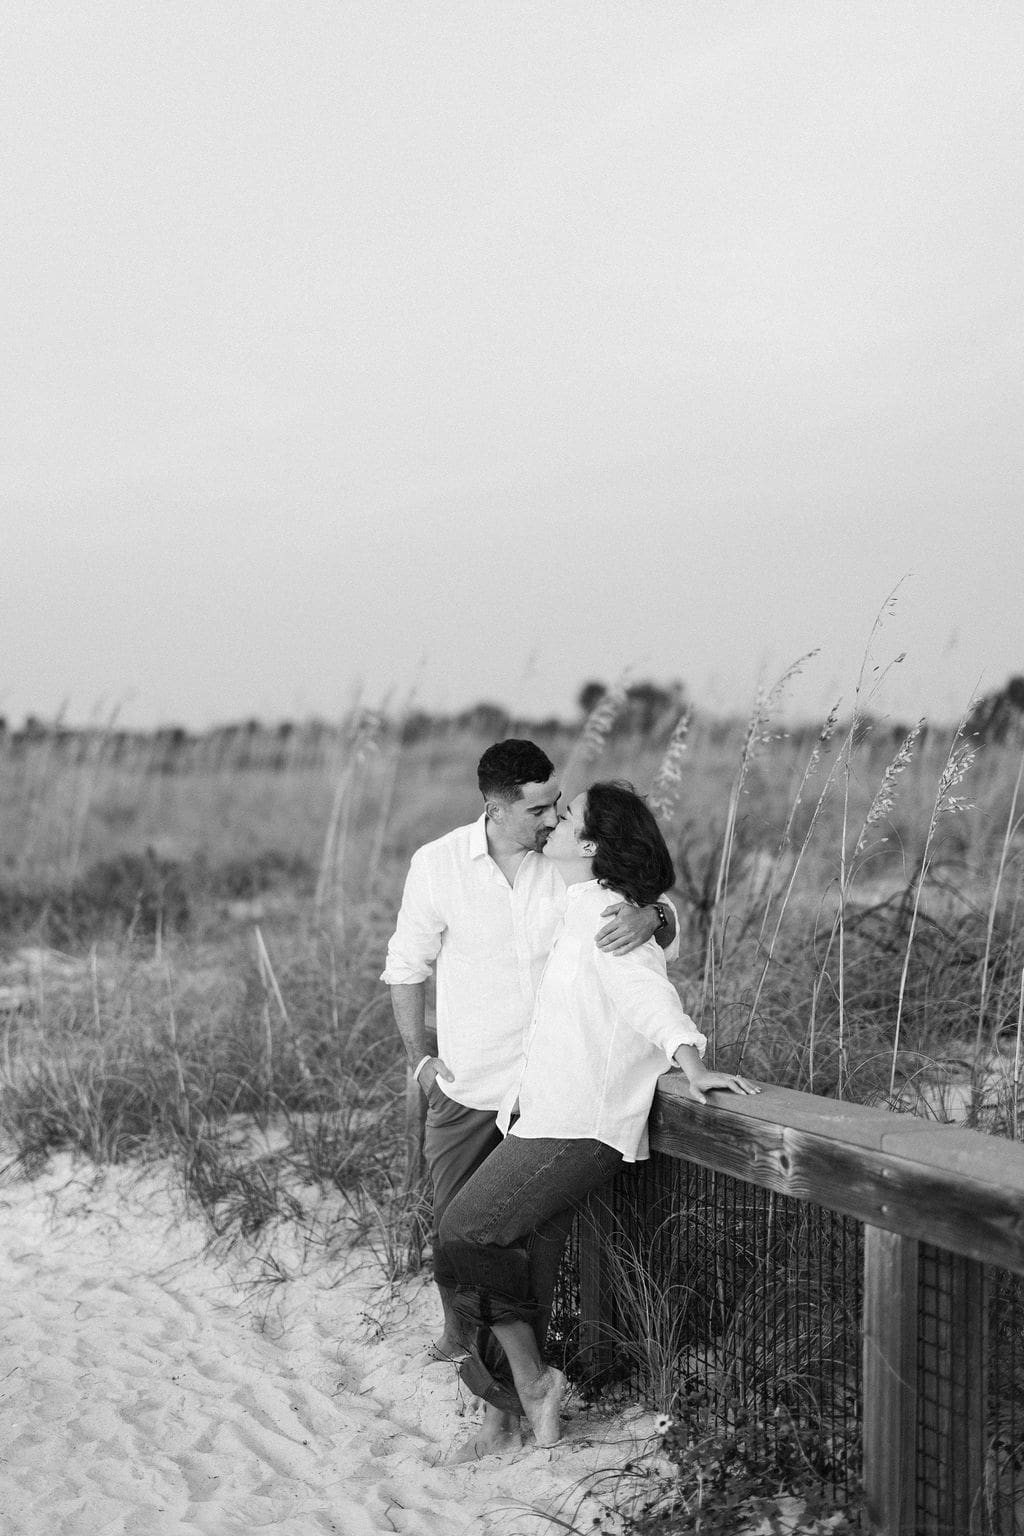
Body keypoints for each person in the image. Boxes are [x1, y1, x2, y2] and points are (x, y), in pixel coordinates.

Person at [435, 780, 759, 1460]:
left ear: (588, 843)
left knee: (466, 1234)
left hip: (578, 1119)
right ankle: (503, 1418)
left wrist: (690, 1058)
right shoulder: (560, 891)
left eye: (566, 814)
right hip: (536, 1109)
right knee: (508, 1260)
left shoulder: (604, 911)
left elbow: (647, 992)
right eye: (544, 811)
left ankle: (531, 1384)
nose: (551, 821)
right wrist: (655, 908)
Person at [381, 740, 679, 1363]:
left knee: (533, 1240)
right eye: (539, 808)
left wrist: (654, 914)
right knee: (454, 1229)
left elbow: (646, 899)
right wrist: (421, 1058)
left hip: (552, 1095)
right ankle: (461, 1337)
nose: (551, 819)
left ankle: (532, 1369)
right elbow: (406, 966)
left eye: (557, 805)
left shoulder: (571, 863)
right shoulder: (437, 865)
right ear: (495, 805)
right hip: (469, 1085)